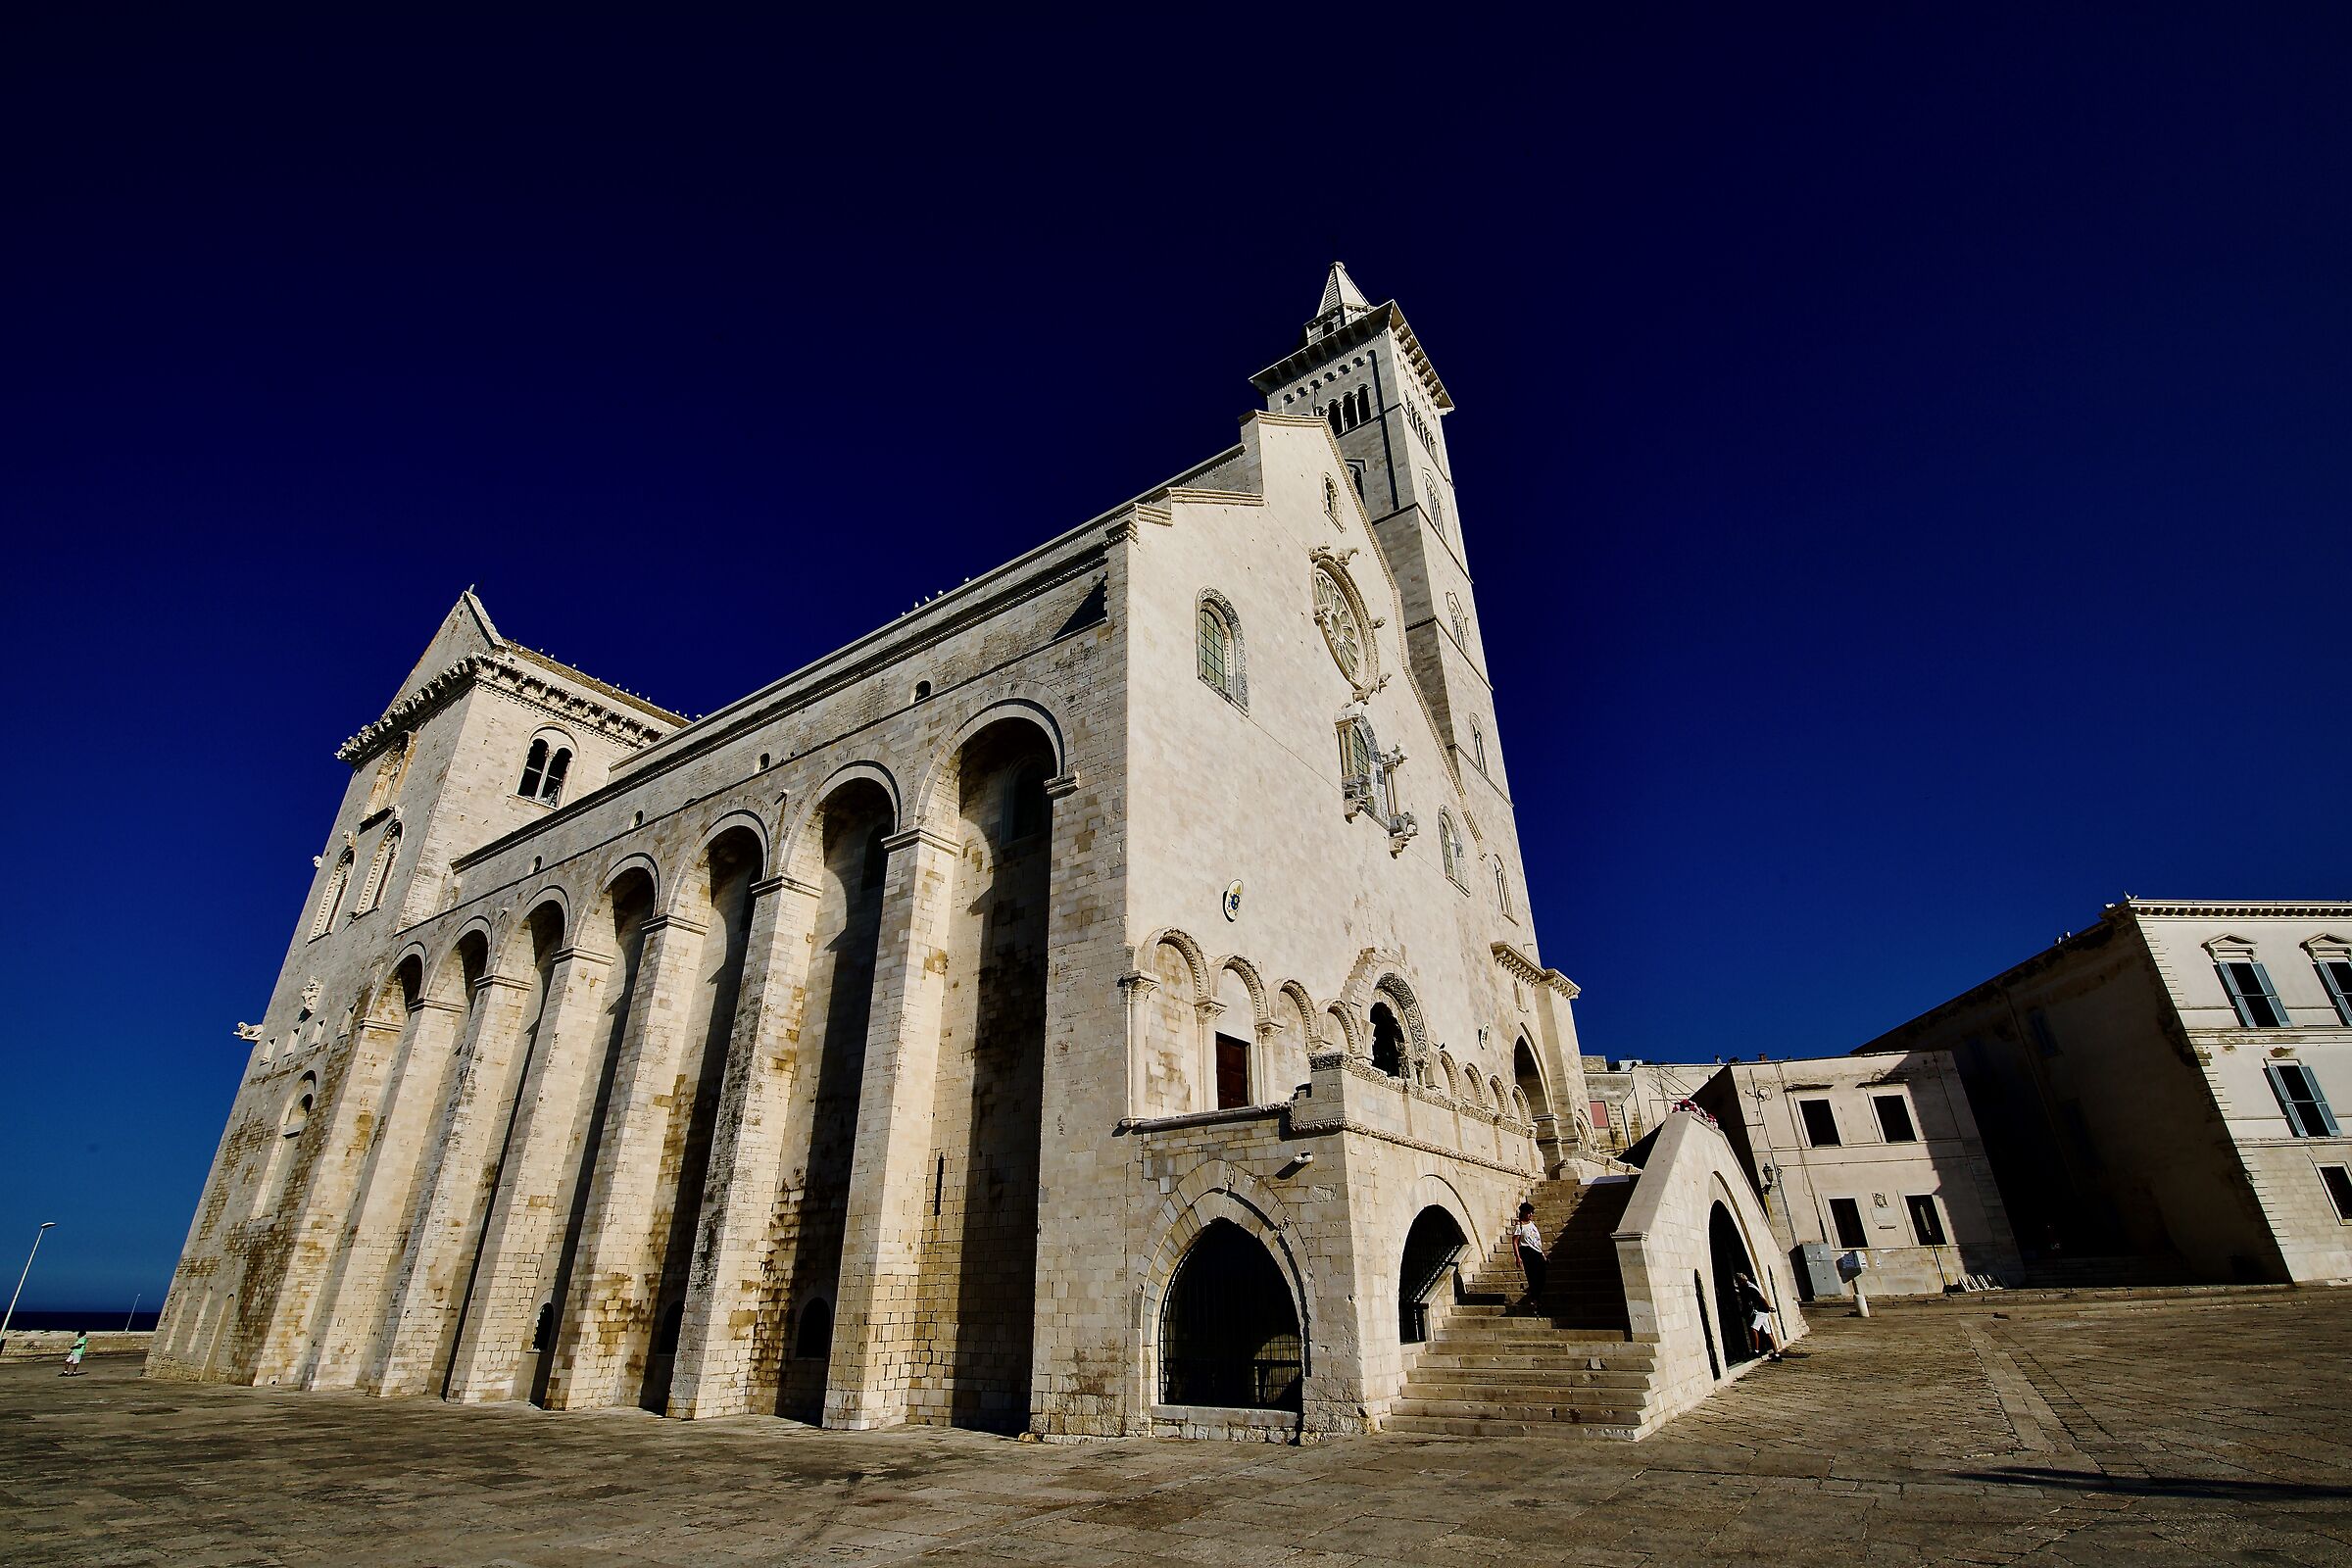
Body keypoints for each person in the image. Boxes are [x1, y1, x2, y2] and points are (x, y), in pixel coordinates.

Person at [1734, 1273, 1780, 1361]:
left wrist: (1768, 1308)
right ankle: (1776, 1354)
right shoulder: (1749, 1286)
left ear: (1742, 1281)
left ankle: (1756, 1351)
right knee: (1768, 1332)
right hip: (1763, 1312)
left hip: (1760, 1311)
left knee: (1753, 1329)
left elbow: (1761, 1298)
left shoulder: (1751, 1288)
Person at [1509, 1202, 1545, 1310]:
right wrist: (1518, 1257)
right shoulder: (1519, 1226)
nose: (1531, 1214)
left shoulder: (1532, 1224)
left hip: (1537, 1252)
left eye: (1532, 1212)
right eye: (1529, 1212)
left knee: (1542, 1276)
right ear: (1524, 1213)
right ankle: (1535, 1299)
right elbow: (1515, 1242)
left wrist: (1542, 1253)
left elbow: (1536, 1240)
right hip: (1527, 1252)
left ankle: (1536, 1297)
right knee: (1532, 1276)